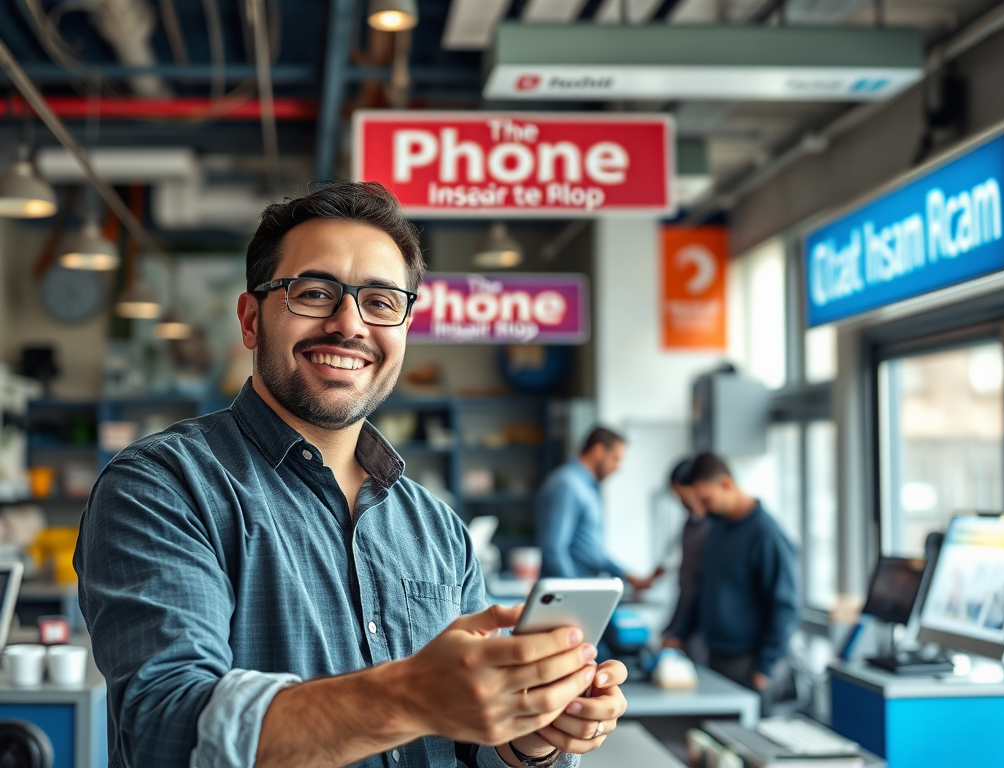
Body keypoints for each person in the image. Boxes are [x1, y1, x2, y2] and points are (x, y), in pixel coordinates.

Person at [74, 181, 627, 768]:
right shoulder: (160, 488)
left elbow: (469, 748)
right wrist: (409, 695)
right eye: (313, 293)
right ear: (250, 319)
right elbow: (164, 731)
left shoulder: (438, 528)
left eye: (382, 302)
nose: (349, 324)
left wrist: (532, 733)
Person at [673, 452, 799, 695]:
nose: (700, 509)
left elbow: (785, 606)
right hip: (717, 657)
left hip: (752, 664)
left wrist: (764, 667)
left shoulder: (766, 535)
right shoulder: (717, 529)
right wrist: (679, 633)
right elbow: (703, 589)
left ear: (727, 485)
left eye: (706, 500)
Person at [535, 427, 658, 592]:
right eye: (616, 459)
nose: (618, 467)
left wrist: (628, 576)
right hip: (566, 599)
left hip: (582, 591)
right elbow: (554, 549)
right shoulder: (567, 485)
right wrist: (575, 593)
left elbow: (591, 550)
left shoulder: (587, 488)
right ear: (599, 451)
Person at [661, 459, 710, 665]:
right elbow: (686, 584)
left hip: (705, 630)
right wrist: (673, 630)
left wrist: (678, 631)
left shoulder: (715, 528)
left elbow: (702, 586)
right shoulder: (689, 525)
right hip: (687, 624)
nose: (678, 499)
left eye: (679, 492)